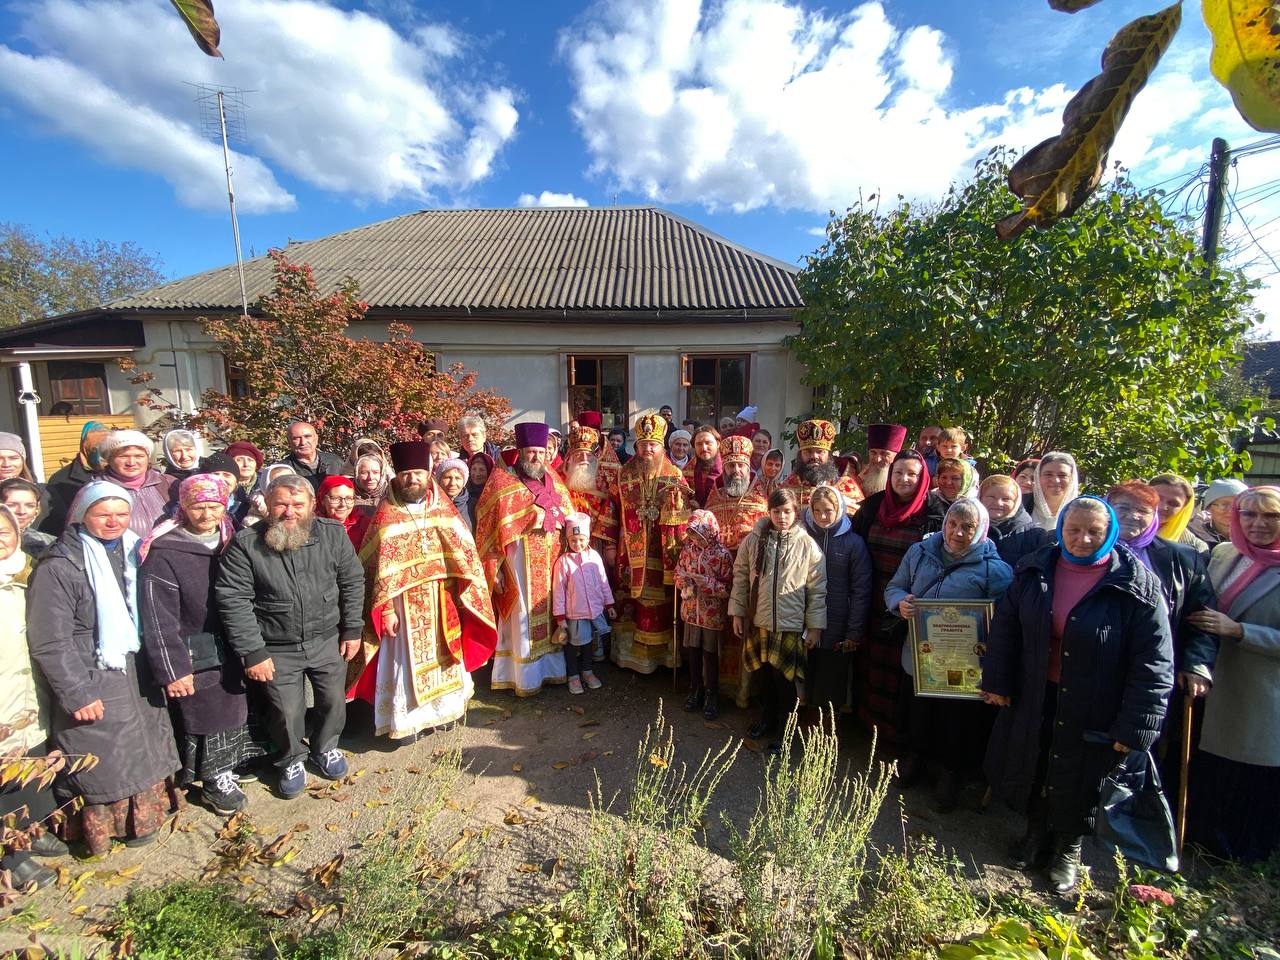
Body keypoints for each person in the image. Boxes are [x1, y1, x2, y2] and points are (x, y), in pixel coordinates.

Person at [981, 496, 1173, 894]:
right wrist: (997, 680)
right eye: (1074, 530)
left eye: (1094, 531)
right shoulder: (1036, 569)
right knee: (1037, 758)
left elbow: (1154, 661)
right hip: (1039, 690)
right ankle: (1035, 833)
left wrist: (1138, 724)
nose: (1083, 539)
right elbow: (1007, 627)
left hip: (1098, 701)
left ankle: (1068, 848)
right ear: (1062, 530)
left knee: (1082, 774)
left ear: (1110, 533)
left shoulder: (1135, 583)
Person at [27, 481, 181, 855]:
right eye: (103, 513)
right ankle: (101, 829)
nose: (114, 521)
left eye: (121, 513)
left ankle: (145, 819)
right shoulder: (61, 565)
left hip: (135, 665)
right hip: (92, 669)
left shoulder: (134, 549)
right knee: (106, 752)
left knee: (141, 744)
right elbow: (49, 639)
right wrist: (76, 691)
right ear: (83, 514)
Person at [215, 474, 365, 798]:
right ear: (267, 504)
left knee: (332, 700)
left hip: (327, 637)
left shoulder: (332, 535)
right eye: (281, 503)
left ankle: (325, 748)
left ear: (312, 505)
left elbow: (352, 581)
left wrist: (353, 628)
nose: (289, 511)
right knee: (286, 710)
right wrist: (252, 651)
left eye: (298, 504)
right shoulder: (246, 544)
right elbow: (233, 598)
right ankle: (291, 759)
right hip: (275, 644)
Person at [348, 441, 498, 741]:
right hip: (402, 608)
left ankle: (442, 712)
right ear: (397, 476)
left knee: (445, 655)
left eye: (418, 473)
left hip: (442, 600)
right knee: (403, 662)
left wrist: (463, 589)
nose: (412, 479)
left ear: (428, 474)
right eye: (406, 474)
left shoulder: (444, 511)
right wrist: (386, 609)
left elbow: (464, 553)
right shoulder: (385, 518)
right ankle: (406, 721)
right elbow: (374, 571)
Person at [139, 474, 268, 815]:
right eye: (199, 507)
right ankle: (213, 779)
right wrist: (173, 669)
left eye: (215, 506)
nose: (208, 514)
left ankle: (236, 763)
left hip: (235, 639)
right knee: (209, 715)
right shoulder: (165, 552)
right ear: (184, 506)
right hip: (196, 648)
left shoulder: (233, 539)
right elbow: (157, 618)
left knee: (240, 705)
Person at [886, 499, 1013, 811]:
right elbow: (894, 588)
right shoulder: (919, 553)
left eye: (967, 527)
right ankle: (915, 759)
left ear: (980, 530)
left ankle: (950, 773)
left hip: (964, 662)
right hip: (921, 654)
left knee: (955, 722)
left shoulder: (994, 570)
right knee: (919, 713)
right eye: (952, 524)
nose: (957, 532)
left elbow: (1006, 619)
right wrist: (901, 603)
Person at [1106, 480, 1217, 800]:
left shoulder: (1182, 559)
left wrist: (1197, 663)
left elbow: (1202, 618)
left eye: (1142, 510)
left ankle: (1128, 819)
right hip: (1091, 667)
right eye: (1122, 508)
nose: (1131, 516)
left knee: (1137, 743)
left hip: (1149, 672)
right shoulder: (1083, 547)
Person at [1185, 487, 1280, 862]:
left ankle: (1242, 857)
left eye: (1270, 517)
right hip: (1211, 679)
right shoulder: (1224, 554)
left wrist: (1240, 631)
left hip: (1260, 690)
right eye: (1249, 515)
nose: (1257, 524)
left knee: (1250, 775)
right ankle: (1202, 843)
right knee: (1212, 769)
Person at [475, 423, 576, 696]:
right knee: (521, 615)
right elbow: (487, 526)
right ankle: (523, 677)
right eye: (531, 452)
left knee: (553, 611)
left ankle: (552, 671)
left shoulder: (554, 479)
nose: (536, 458)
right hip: (518, 562)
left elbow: (568, 512)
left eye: (541, 452)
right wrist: (493, 568)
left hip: (552, 559)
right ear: (520, 452)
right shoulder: (501, 481)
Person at [0, 504, 66, 889]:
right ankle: (13, 855)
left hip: (30, 688)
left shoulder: (31, 573)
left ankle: (32, 830)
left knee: (32, 761)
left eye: (5, 532)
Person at [730, 488, 827, 749]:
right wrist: (738, 612)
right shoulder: (753, 541)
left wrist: (816, 626)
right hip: (760, 621)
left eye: (787, 511)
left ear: (796, 512)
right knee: (763, 678)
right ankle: (768, 719)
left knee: (784, 681)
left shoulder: (807, 545)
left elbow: (817, 588)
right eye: (776, 511)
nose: (782, 517)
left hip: (790, 625)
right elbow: (740, 577)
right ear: (768, 511)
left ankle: (787, 731)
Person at [850, 450, 934, 746]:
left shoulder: (932, 514)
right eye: (898, 473)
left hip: (909, 606)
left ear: (922, 477)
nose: (904, 479)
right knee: (871, 664)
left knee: (903, 672)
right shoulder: (872, 507)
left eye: (911, 473)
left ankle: (898, 736)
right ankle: (868, 727)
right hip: (872, 598)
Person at [609, 414, 692, 675]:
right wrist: (611, 545)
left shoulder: (674, 474)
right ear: (637, 446)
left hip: (661, 549)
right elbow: (611, 509)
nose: (648, 449)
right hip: (629, 549)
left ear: (661, 447)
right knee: (631, 601)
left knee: (661, 600)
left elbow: (683, 517)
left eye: (653, 445)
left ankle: (662, 658)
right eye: (643, 444)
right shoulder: (624, 474)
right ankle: (631, 657)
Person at [802, 485, 872, 720]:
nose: (823, 516)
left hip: (838, 619)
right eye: (817, 510)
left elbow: (861, 588)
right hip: (804, 617)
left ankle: (829, 725)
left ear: (839, 510)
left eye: (828, 511)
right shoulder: (804, 536)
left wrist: (854, 630)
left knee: (832, 673)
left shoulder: (853, 543)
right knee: (807, 668)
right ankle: (807, 718)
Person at [675, 509, 734, 719]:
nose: (695, 539)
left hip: (711, 614)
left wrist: (708, 583)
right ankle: (695, 689)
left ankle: (712, 694)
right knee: (693, 651)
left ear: (710, 532)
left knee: (710, 654)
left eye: (699, 535)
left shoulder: (722, 554)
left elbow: (728, 588)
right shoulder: (687, 550)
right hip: (691, 610)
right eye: (691, 534)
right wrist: (684, 581)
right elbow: (678, 572)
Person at [552, 513, 615, 695]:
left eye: (581, 540)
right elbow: (558, 590)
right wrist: (560, 616)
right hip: (575, 613)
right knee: (573, 645)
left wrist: (609, 605)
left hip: (594, 611)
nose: (577, 544)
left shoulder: (594, 557)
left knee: (589, 644)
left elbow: (603, 582)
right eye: (573, 540)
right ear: (567, 539)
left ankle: (588, 672)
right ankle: (573, 675)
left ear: (587, 538)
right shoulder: (563, 562)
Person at [98, 431, 176, 538]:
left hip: (171, 552)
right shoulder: (97, 491)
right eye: (123, 456)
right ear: (109, 459)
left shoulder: (168, 483)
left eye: (139, 456)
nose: (131, 462)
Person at [41, 420, 109, 537]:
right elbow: (59, 520)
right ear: (87, 448)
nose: (104, 457)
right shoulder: (62, 479)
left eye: (108, 451)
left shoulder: (118, 472)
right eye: (99, 450)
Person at [782, 419, 863, 514]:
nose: (814, 456)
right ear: (800, 455)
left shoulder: (846, 486)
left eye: (820, 451)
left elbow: (858, 519)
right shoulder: (788, 485)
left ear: (828, 455)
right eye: (808, 452)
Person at [979, 474, 1038, 564]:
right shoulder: (968, 527)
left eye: (1006, 499)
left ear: (1016, 502)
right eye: (991, 497)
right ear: (980, 498)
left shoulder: (1033, 535)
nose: (998, 503)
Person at [1150, 473, 1209, 552]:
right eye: (1156, 498)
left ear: (1183, 509)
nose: (1161, 506)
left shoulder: (1196, 548)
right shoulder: (1128, 531)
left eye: (1173, 503)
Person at [283, 420, 346, 492]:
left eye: (307, 436)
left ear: (316, 438)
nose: (303, 442)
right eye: (296, 438)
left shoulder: (334, 461)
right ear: (289, 442)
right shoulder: (284, 469)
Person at [1, 478, 55, 559]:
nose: (22, 511)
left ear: (37, 510)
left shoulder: (50, 544)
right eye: (12, 505)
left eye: (30, 506)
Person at [1027, 452, 1079, 532]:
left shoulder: (1081, 511)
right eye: (1048, 474)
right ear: (1038, 477)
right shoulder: (1023, 506)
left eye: (1062, 475)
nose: (1056, 480)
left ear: (1071, 479)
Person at [1189, 478, 1246, 550]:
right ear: (1209, 507)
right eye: (1224, 504)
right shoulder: (1192, 534)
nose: (1231, 511)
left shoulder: (1255, 535)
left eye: (1238, 505)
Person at [317, 475, 371, 549]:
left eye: (348, 498)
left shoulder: (365, 524)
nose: (343, 504)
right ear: (323, 500)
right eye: (336, 498)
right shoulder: (314, 527)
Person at [859, 424, 906, 496]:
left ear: (896, 456)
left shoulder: (903, 483)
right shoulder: (858, 481)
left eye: (884, 454)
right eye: (873, 453)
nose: (878, 459)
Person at [682, 427, 723, 508]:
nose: (704, 448)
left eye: (708, 443)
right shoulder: (687, 470)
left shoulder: (728, 466)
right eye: (699, 444)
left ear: (718, 444)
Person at [434, 457, 472, 530]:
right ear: (439, 480)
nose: (452, 483)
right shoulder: (431, 504)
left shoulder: (473, 506)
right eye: (447, 477)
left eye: (458, 478)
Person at [466, 452, 493, 530]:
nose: (477, 474)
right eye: (474, 469)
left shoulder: (493, 494)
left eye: (482, 470)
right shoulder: (463, 494)